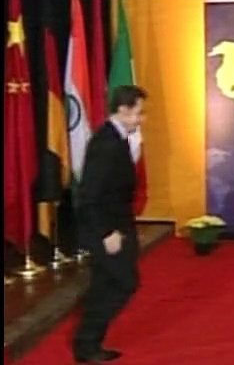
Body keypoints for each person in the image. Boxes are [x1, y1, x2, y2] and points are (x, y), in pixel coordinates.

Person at [72, 85, 148, 363]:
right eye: (139, 112)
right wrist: (106, 233)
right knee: (123, 283)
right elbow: (89, 196)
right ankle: (86, 342)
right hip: (108, 230)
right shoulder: (105, 144)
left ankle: (88, 344)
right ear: (124, 110)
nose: (142, 119)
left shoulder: (117, 138)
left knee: (106, 285)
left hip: (119, 224)